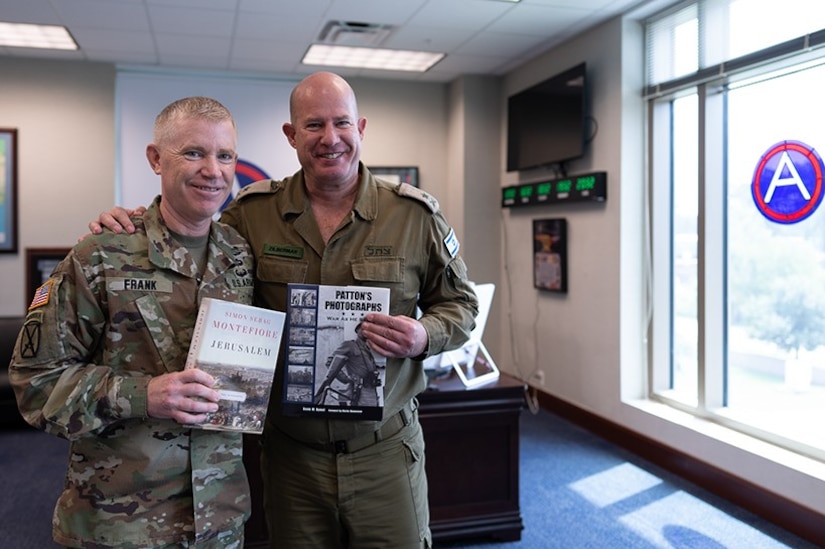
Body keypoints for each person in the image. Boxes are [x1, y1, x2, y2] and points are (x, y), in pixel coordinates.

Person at [91, 71, 479, 549]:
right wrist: (132, 223)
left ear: (361, 127)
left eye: (341, 123)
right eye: (313, 125)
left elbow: (461, 305)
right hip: (293, 456)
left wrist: (423, 336)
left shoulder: (414, 216)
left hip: (384, 451)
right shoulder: (251, 213)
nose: (330, 139)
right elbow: (189, 241)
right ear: (291, 136)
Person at [11, 96, 255, 549]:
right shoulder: (100, 255)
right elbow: (35, 382)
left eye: (225, 156)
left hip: (219, 521)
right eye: (194, 153)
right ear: (155, 159)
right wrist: (143, 394)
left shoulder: (239, 254)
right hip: (121, 526)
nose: (213, 170)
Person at [315, 322, 384, 407]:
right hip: (359, 390)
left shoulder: (367, 350)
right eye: (363, 329)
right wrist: (345, 379)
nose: (365, 332)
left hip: (372, 389)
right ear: (357, 330)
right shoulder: (350, 345)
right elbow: (330, 361)